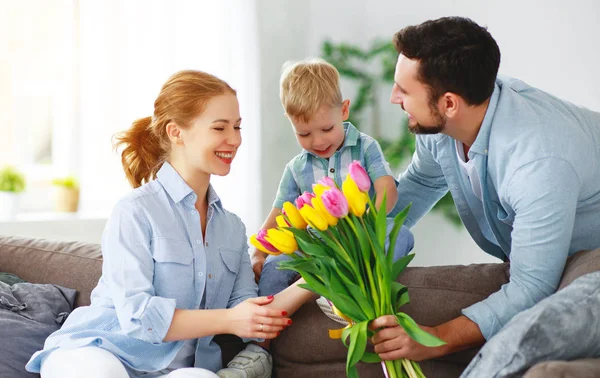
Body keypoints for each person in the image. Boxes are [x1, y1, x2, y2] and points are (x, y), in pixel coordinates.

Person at [25, 70, 315, 378]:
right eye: (220, 127)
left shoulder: (232, 229)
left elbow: (253, 318)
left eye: (237, 127)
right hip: (97, 351)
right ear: (176, 132)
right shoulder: (135, 212)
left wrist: (324, 276)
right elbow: (139, 317)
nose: (235, 139)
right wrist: (229, 319)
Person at [371, 16, 600, 363]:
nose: (393, 98)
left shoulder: (537, 164)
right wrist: (344, 233)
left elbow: (531, 288)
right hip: (539, 262)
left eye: (404, 90)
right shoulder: (450, 124)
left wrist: (435, 338)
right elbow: (418, 185)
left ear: (449, 104)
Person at [252, 58, 415, 298]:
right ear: (290, 120)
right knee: (275, 267)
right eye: (304, 133)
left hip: (365, 233)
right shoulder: (297, 168)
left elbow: (387, 189)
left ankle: (363, 287)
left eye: (327, 129)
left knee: (400, 234)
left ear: (344, 110)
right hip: (316, 241)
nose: (318, 142)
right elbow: (279, 213)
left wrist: (369, 224)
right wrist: (259, 251)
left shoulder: (365, 147)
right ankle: (265, 329)